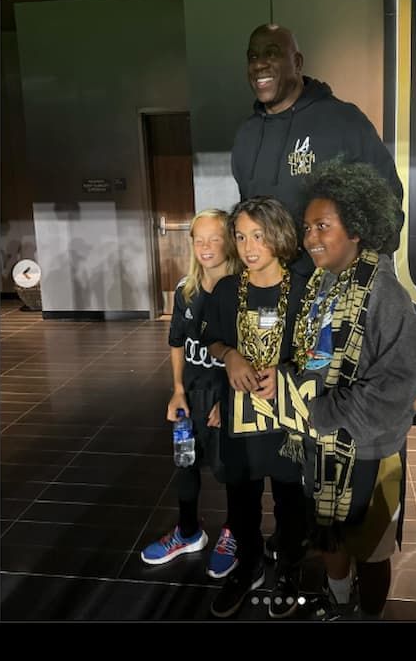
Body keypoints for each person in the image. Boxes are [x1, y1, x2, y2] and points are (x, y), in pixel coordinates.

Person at [261, 161, 416, 620]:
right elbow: (312, 353)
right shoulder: (321, 284)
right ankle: (336, 601)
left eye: (323, 226)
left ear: (356, 229)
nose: (310, 237)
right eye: (307, 226)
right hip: (320, 443)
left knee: (370, 550)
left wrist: (326, 410)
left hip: (369, 449)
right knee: (328, 534)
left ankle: (368, 614)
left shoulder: (385, 295)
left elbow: (401, 381)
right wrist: (285, 381)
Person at [200, 197, 313, 618]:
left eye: (258, 236)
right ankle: (247, 567)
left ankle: (289, 568)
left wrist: (285, 372)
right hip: (239, 409)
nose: (249, 247)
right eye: (242, 236)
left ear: (279, 235)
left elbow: (316, 354)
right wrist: (230, 355)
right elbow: (212, 337)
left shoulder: (305, 288)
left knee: (290, 497)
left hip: (286, 412)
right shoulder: (228, 289)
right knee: (241, 497)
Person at [231, 23, 404, 275]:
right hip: (272, 289)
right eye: (253, 57)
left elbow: (387, 201)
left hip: (330, 290)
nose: (259, 65)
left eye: (272, 53)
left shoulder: (343, 120)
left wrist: (365, 273)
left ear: (297, 62)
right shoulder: (246, 135)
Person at [139, 209, 242, 575]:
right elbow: (177, 344)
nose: (206, 246)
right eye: (199, 239)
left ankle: (234, 533)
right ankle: (187, 532)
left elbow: (252, 353)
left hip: (228, 398)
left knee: (231, 470)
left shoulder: (244, 291)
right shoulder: (186, 289)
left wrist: (229, 402)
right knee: (185, 463)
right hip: (193, 396)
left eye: (215, 238)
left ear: (229, 241)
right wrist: (177, 390)